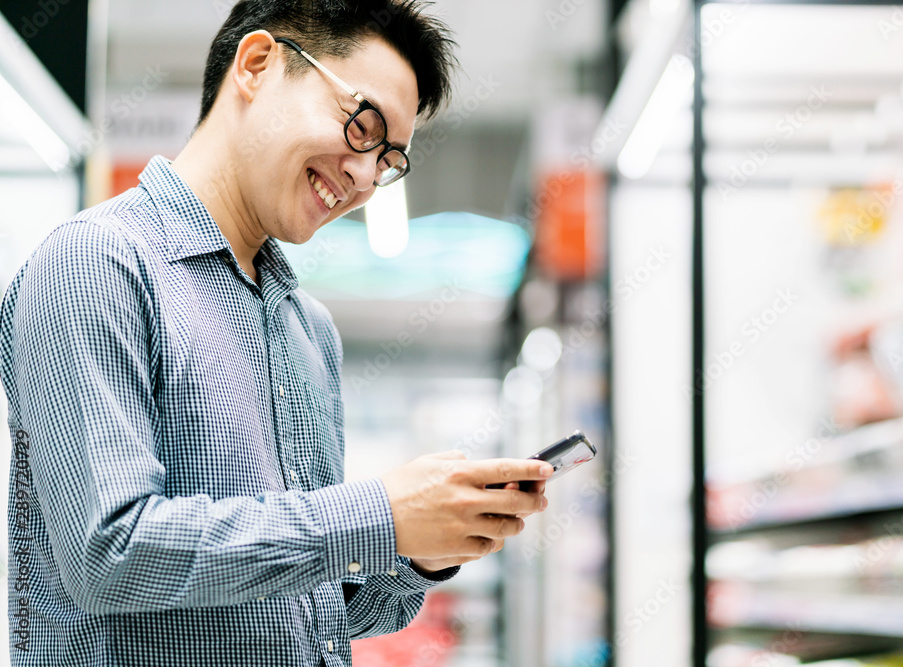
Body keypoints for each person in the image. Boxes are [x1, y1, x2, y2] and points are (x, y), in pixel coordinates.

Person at [0, 1, 552, 665]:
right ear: (258, 64)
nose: (365, 176)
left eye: (388, 160)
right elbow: (111, 553)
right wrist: (375, 513)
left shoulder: (306, 329)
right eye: (362, 125)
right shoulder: (97, 264)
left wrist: (419, 552)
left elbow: (308, 607)